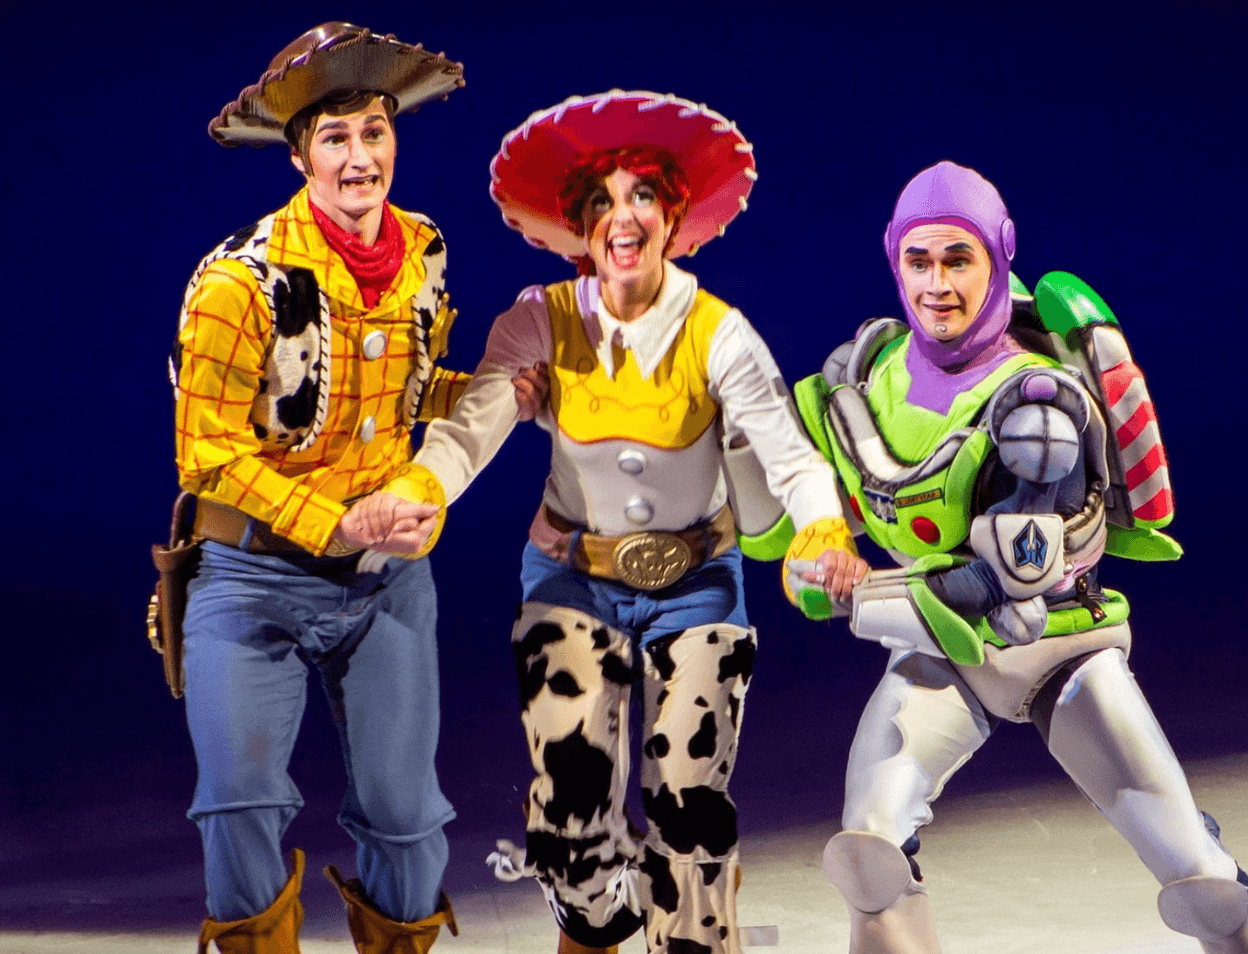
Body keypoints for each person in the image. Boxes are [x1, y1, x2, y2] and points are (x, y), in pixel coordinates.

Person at [405, 90, 866, 954]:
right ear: (579, 226)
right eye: (602, 201)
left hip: (697, 585)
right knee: (571, 821)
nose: (623, 217)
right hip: (570, 581)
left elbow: (792, 457)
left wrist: (823, 529)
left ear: (673, 218)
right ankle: (601, 914)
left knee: (688, 799)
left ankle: (692, 919)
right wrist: (422, 489)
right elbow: (471, 428)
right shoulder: (540, 318)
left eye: (643, 195)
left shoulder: (719, 332)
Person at [786, 160, 1248, 953]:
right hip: (942, 657)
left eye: (958, 260)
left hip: (1059, 646)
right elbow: (801, 506)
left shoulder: (1036, 403)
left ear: (998, 256)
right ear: (893, 257)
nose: (937, 284)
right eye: (919, 261)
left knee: (1200, 882)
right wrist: (812, 552)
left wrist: (856, 596)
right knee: (868, 852)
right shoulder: (866, 376)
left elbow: (1000, 582)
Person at [171, 22, 540, 954]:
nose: (359, 157)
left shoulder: (422, 250)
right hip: (251, 573)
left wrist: (506, 392)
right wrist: (335, 524)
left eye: (374, 133)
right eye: (334, 139)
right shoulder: (239, 282)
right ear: (301, 157)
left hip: (383, 582)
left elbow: (405, 392)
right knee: (240, 800)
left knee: (407, 815)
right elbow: (207, 454)